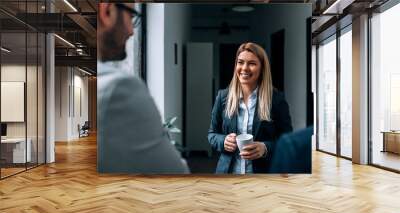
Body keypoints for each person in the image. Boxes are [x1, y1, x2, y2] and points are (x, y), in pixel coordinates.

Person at [97, 3, 189, 173]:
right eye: (131, 16)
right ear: (107, 11)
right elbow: (176, 174)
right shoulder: (119, 87)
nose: (132, 31)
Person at [208, 42, 292, 174]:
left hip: (263, 176)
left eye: (252, 63)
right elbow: (212, 134)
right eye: (240, 62)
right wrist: (223, 141)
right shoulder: (222, 97)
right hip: (227, 175)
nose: (244, 68)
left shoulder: (276, 99)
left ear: (262, 68)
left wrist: (265, 148)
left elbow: (287, 141)